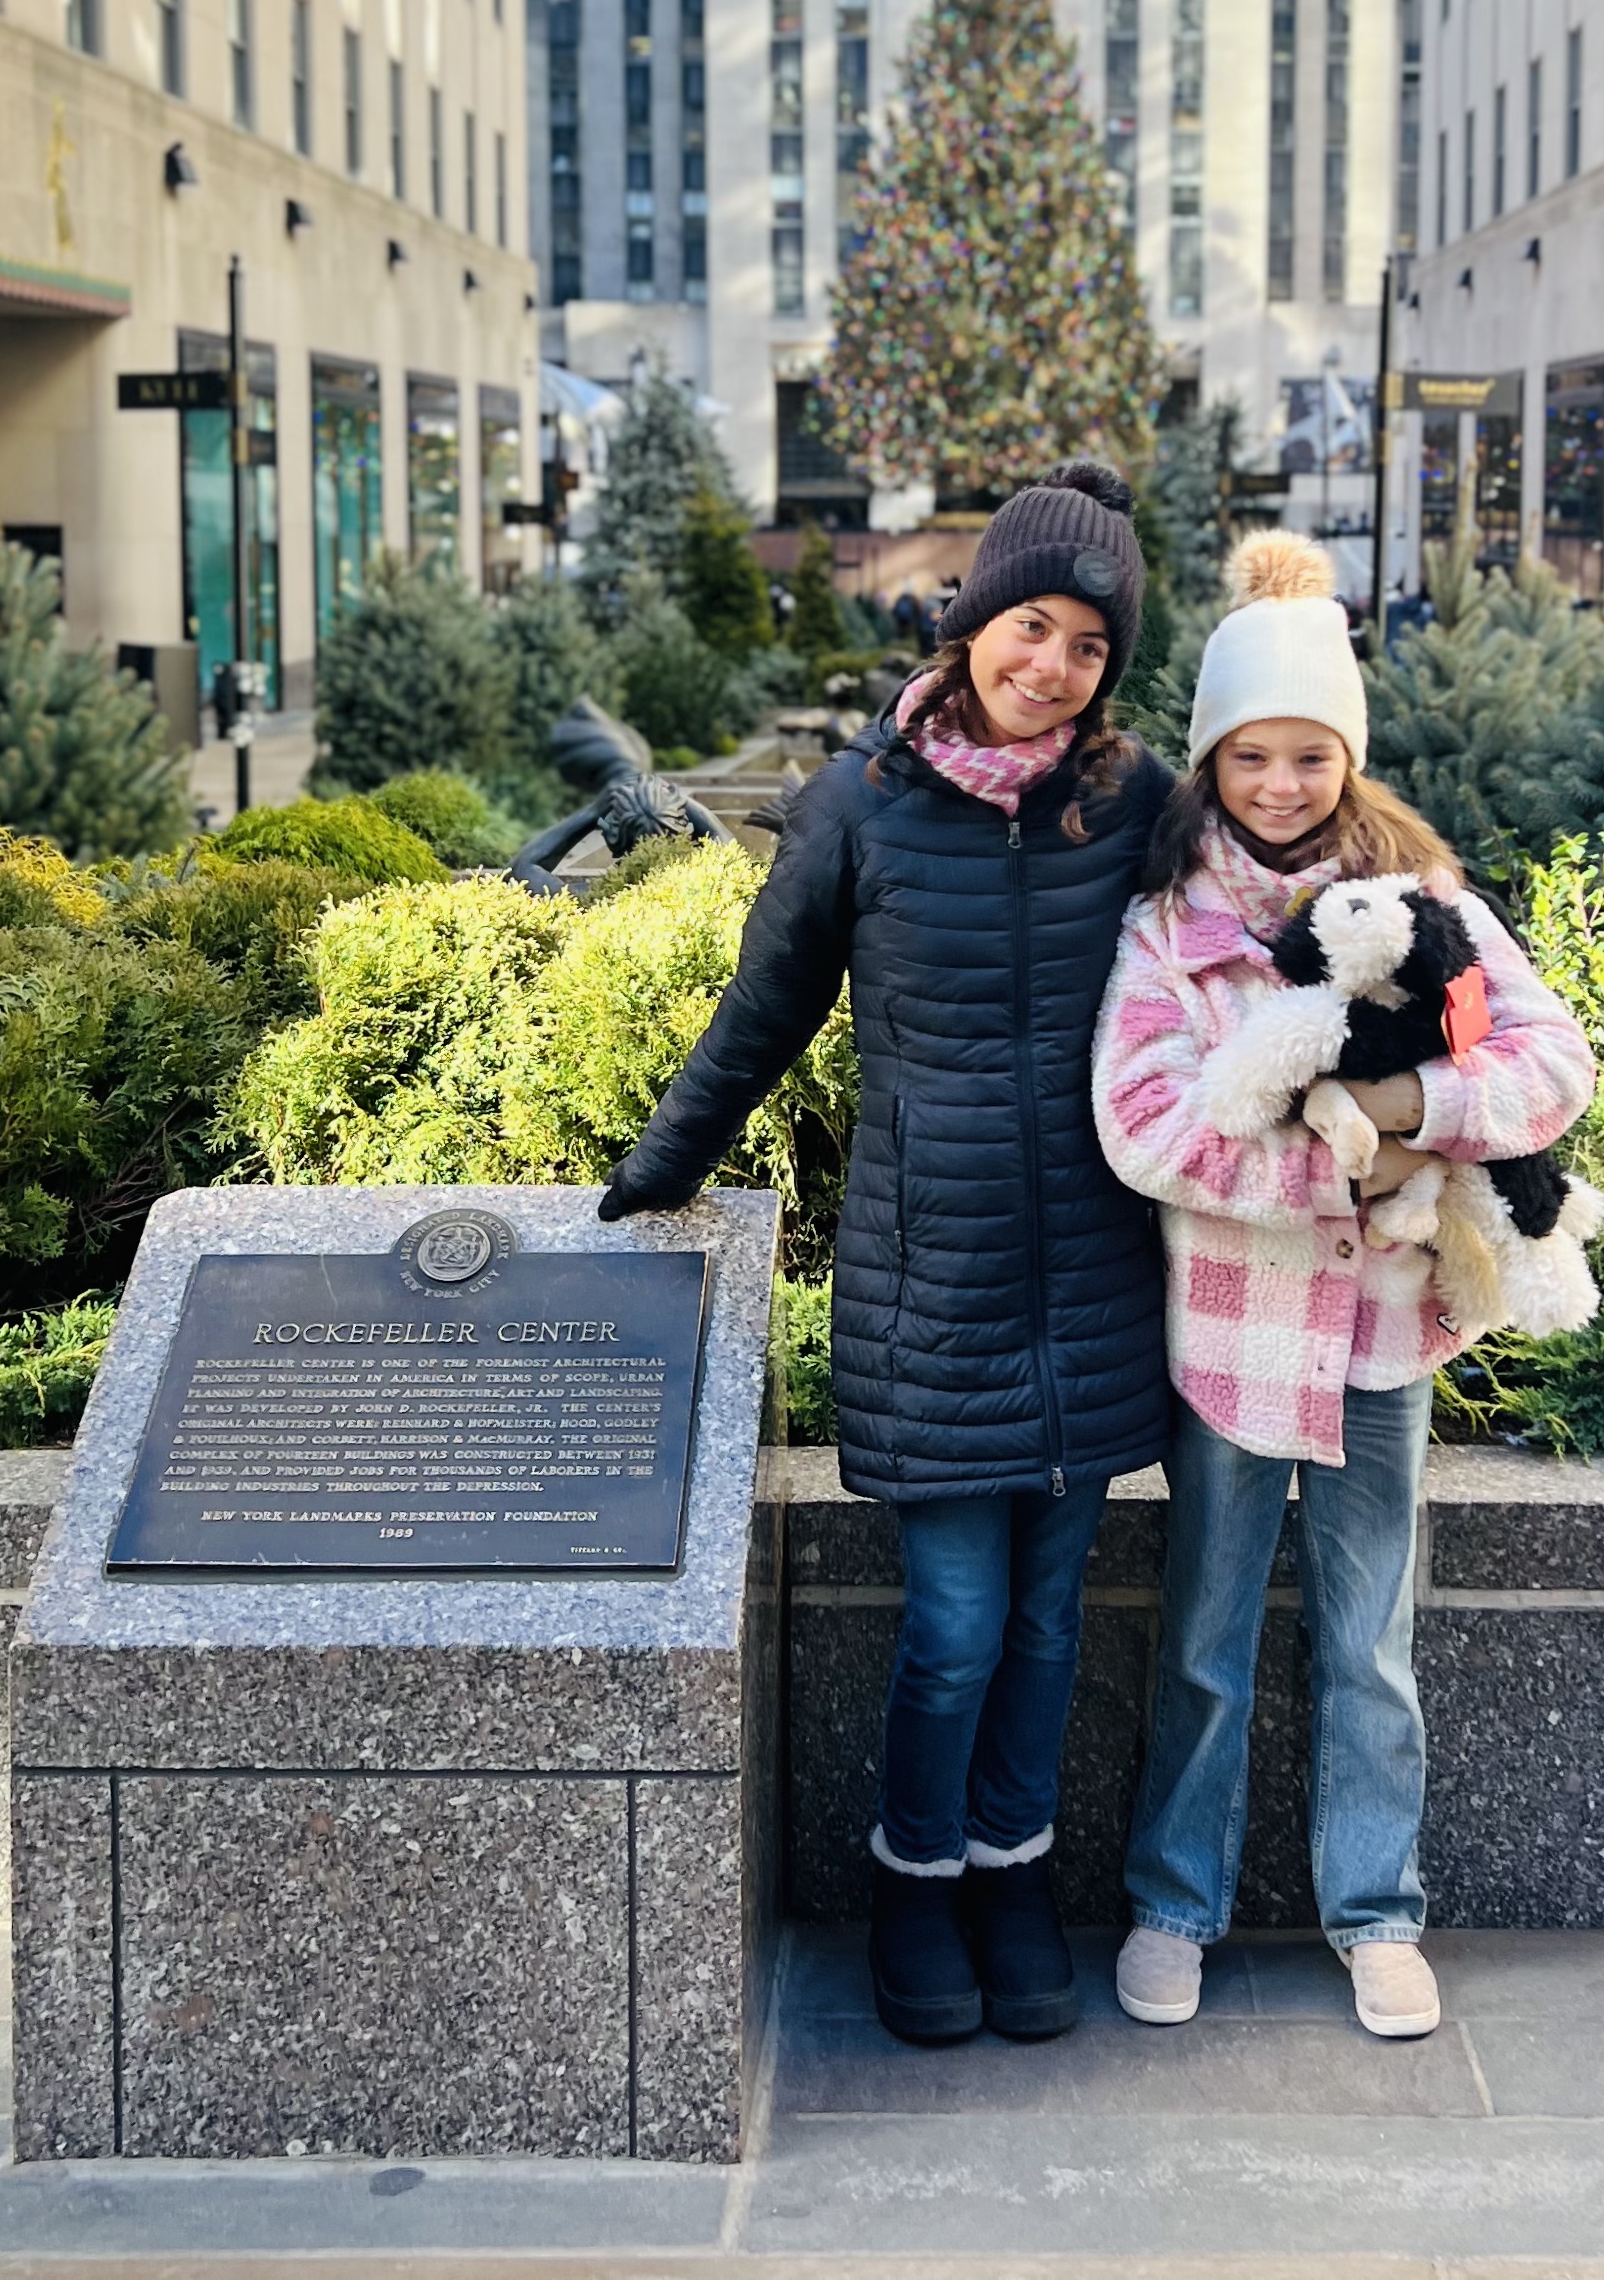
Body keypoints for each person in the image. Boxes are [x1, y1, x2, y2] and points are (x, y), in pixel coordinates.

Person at [598, 463, 1173, 2049]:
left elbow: (1247, 928)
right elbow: (763, 1011)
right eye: (1030, 628)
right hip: (932, 1287)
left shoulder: (1127, 801)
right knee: (954, 1631)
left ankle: (1013, 1875)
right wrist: (658, 1168)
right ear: (974, 619)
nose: (1049, 667)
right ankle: (915, 1878)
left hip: (1095, 1279)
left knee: (1051, 1630)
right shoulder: (858, 803)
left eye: (1085, 649)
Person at [1088, 530, 1595, 2039]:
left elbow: (1549, 1059)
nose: (1281, 786)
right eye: (1252, 756)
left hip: (1385, 1341)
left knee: (1369, 1638)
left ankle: (1376, 1912)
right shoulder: (1168, 930)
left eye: (1310, 757)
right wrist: (1326, 1176)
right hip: (1231, 1350)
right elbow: (1147, 1125)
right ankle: (1173, 1904)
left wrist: (1408, 1117)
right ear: (1213, 762)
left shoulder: (1426, 903)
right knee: (1202, 1644)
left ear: (1345, 761)